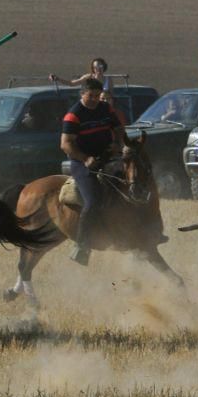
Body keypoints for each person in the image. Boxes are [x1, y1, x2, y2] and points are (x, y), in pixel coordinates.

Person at [61, 78, 124, 265]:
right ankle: (82, 246)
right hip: (82, 163)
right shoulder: (74, 115)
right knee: (93, 200)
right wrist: (85, 159)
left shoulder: (106, 109)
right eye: (91, 96)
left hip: (107, 157)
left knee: (130, 186)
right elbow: (65, 144)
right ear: (82, 94)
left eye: (97, 96)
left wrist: (117, 143)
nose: (95, 99)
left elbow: (119, 128)